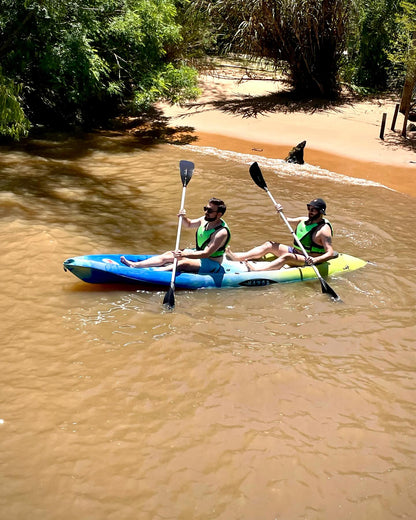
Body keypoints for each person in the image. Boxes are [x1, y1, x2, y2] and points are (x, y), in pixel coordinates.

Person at [120, 197, 231, 273]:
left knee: (183, 263)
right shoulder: (204, 220)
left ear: (219, 214)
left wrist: (184, 254)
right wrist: (183, 217)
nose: (206, 212)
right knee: (170, 254)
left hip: (212, 262)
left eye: (210, 210)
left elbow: (206, 254)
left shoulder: (221, 232)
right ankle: (135, 265)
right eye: (205, 208)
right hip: (198, 254)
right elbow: (188, 224)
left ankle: (155, 273)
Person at [226, 198, 335, 271]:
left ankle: (258, 270)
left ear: (321, 212)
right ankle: (238, 257)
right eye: (309, 208)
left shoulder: (324, 230)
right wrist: (280, 212)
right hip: (296, 252)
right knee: (269, 244)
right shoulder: (304, 220)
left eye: (313, 210)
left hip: (308, 258)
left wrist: (315, 260)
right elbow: (284, 221)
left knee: (286, 257)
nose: (310, 212)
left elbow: (330, 253)